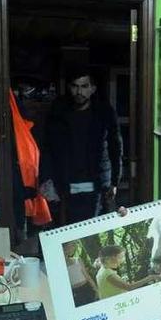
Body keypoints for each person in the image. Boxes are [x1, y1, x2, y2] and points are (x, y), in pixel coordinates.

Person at [42, 67, 122, 223]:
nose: (79, 91)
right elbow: (47, 147)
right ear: (69, 87)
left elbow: (116, 147)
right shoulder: (58, 112)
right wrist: (46, 179)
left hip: (98, 181)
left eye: (84, 86)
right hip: (66, 180)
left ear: (92, 89)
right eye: (75, 86)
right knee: (67, 229)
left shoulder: (104, 112)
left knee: (98, 226)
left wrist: (114, 181)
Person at [95, 245, 159, 298]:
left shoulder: (102, 270)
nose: (122, 260)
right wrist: (150, 277)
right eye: (120, 257)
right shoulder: (108, 274)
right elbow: (129, 287)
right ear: (109, 258)